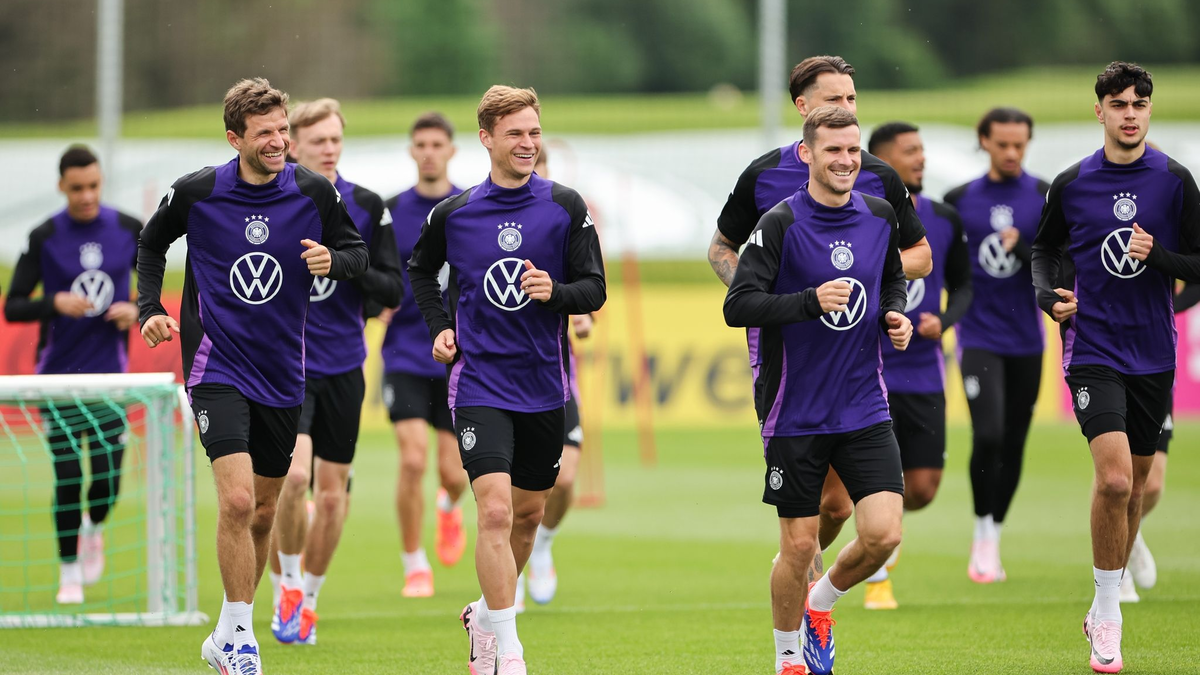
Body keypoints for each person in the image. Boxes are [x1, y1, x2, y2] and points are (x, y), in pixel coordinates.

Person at [136, 78, 368, 675]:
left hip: (285, 371)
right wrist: (149, 309)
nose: (278, 142)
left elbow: (356, 254)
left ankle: (225, 628)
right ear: (234, 137)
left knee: (265, 511)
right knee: (237, 500)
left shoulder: (314, 191)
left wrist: (333, 262)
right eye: (265, 133)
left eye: (282, 130)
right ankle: (241, 636)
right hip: (216, 367)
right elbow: (152, 242)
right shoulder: (199, 192)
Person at [408, 85, 605, 675]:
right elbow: (421, 271)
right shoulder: (456, 213)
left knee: (527, 515)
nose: (527, 143)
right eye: (515, 133)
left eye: (534, 133)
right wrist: (441, 327)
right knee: (493, 512)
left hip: (545, 385)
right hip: (479, 386)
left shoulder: (566, 207)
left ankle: (486, 614)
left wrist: (557, 292)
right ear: (487, 138)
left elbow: (594, 288)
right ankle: (509, 651)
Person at [709, 55, 931, 579]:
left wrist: (880, 302)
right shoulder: (764, 178)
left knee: (847, 508)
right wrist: (767, 289)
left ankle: (806, 576)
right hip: (790, 361)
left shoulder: (875, 176)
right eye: (835, 100)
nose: (848, 108)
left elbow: (916, 255)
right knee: (827, 505)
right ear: (802, 107)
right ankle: (801, 571)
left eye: (853, 99)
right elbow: (722, 248)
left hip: (858, 354)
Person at [724, 106, 910, 675]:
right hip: (793, 408)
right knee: (799, 546)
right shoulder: (779, 223)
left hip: (863, 403)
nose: (846, 161)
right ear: (807, 154)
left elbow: (893, 278)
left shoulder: (879, 215)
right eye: (833, 150)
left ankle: (820, 603)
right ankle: (788, 660)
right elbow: (738, 305)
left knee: (883, 535)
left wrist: (894, 314)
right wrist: (809, 301)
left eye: (853, 150)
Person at [1031, 61, 1200, 674]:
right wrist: (1048, 297)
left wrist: (1163, 257)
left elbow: (1198, 262)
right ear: (1098, 110)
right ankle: (1108, 612)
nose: (1130, 113)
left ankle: (1108, 589)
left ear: (1149, 111)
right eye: (1119, 103)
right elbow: (1044, 250)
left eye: (1140, 103)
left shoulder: (1176, 181)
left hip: (1153, 353)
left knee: (1138, 486)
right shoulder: (1072, 183)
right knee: (1115, 481)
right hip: (1092, 349)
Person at [269, 98, 403, 646]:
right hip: (286, 368)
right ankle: (290, 586)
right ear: (293, 144)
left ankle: (311, 598)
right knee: (293, 479)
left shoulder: (367, 206)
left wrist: (345, 262)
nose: (328, 148)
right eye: (317, 140)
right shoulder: (274, 200)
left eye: (335, 139)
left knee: (331, 497)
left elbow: (392, 288)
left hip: (346, 366)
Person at [4, 144, 141, 605]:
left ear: (102, 183)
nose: (86, 196)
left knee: (106, 480)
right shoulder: (45, 236)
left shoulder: (128, 229)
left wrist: (138, 309)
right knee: (67, 476)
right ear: (62, 186)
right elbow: (14, 303)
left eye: (94, 186)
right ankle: (68, 574)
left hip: (110, 378)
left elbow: (155, 291)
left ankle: (93, 528)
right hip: (58, 378)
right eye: (77, 188)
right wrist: (54, 302)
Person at [862, 122, 973, 609]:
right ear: (883, 162)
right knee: (867, 483)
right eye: (909, 152)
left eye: (922, 150)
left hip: (926, 370)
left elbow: (965, 286)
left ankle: (879, 521)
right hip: (871, 373)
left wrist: (943, 321)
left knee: (923, 488)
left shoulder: (944, 219)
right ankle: (877, 563)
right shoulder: (863, 216)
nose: (921, 159)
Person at [944, 107, 1049, 583]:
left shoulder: (1047, 196)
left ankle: (994, 534)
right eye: (1002, 143)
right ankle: (981, 530)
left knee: (1014, 439)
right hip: (978, 336)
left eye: (1019, 145)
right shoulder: (958, 200)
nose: (1011, 152)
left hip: (1028, 339)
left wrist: (1024, 248)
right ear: (983, 140)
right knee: (987, 434)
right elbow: (942, 266)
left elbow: (1060, 268)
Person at [380, 112, 470, 598]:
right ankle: (414, 562)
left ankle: (449, 506)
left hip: (457, 356)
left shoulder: (469, 207)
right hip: (404, 356)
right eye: (421, 144)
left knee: (454, 473)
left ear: (452, 150)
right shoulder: (392, 212)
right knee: (412, 460)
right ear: (412, 151)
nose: (429, 151)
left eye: (438, 143)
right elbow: (376, 272)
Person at [519, 147, 596, 609]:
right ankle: (506, 578)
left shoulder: (564, 225)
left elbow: (586, 288)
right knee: (505, 489)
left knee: (564, 482)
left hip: (555, 376)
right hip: (499, 378)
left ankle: (543, 545)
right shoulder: (490, 226)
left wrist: (581, 316)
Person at [1126, 280, 1200, 600]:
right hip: (1109, 359)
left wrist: (1171, 307)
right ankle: (1116, 574)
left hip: (1156, 363)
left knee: (1152, 485)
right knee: (1116, 475)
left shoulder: (1169, 232)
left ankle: (1127, 530)